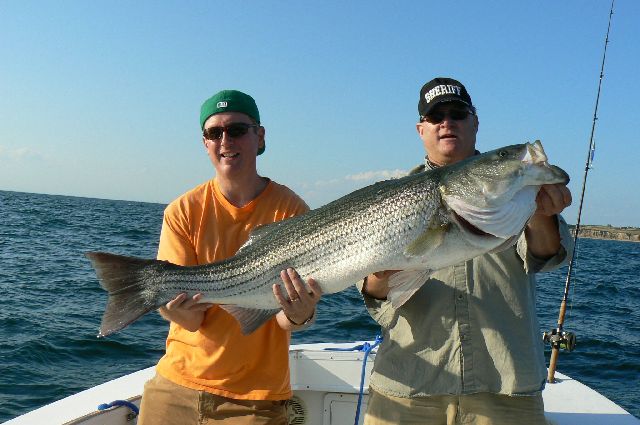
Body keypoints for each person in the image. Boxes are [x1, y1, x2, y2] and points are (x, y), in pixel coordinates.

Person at [360, 77, 573, 425]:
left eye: (458, 113)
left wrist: (542, 212)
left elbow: (546, 254)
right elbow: (373, 292)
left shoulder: (519, 190)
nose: (448, 122)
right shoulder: (387, 200)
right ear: (421, 129)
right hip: (408, 386)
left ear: (475, 123)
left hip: (504, 388)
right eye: (436, 116)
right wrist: (381, 275)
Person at [137, 89, 322, 425]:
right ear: (205, 142)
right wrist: (171, 307)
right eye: (214, 132)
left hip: (256, 400)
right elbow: (193, 322)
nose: (226, 140)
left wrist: (300, 314)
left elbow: (284, 320)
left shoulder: (291, 210)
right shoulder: (182, 211)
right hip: (176, 387)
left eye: (237, 129)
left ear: (259, 135)